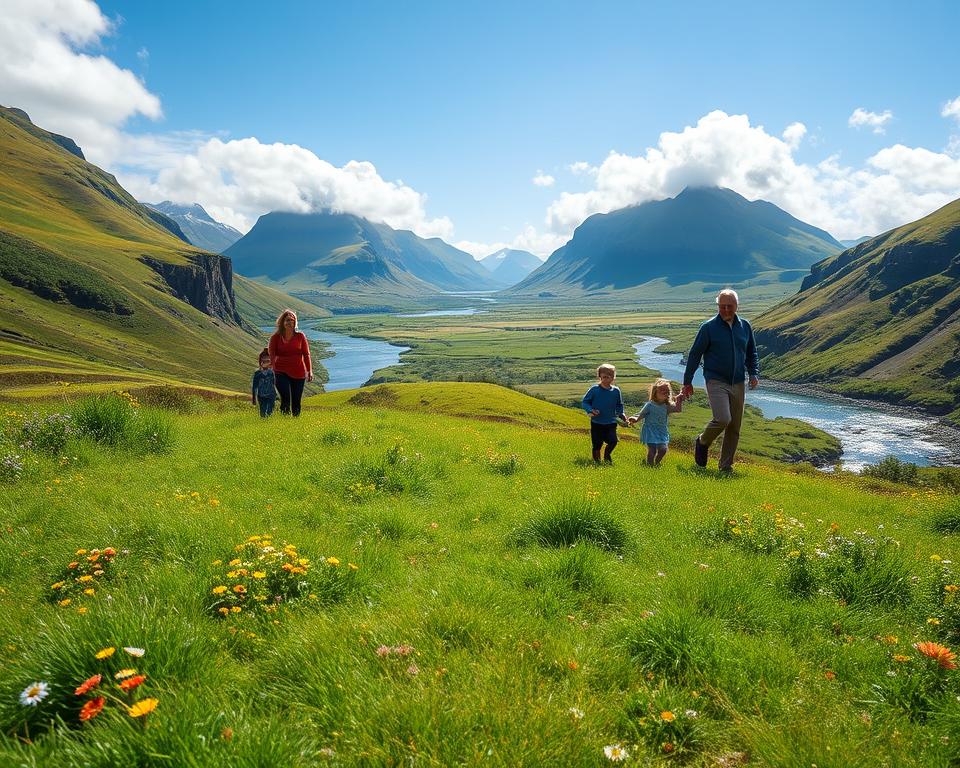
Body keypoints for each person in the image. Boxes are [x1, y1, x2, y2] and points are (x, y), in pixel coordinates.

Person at [681, 288, 759, 472]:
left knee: (734, 426)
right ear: (718, 305)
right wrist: (687, 381)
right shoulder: (708, 327)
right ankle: (702, 441)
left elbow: (751, 352)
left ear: (737, 306)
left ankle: (725, 467)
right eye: (722, 306)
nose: (725, 310)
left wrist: (753, 373)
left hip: (738, 381)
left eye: (729, 306)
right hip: (715, 380)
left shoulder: (745, 326)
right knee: (723, 419)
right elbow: (694, 354)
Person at [627, 378, 686, 466]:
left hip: (662, 430)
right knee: (652, 450)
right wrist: (635, 419)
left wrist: (679, 399)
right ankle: (650, 466)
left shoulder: (667, 406)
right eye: (662, 390)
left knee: (663, 450)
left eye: (667, 391)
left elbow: (678, 409)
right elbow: (642, 414)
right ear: (655, 392)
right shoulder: (650, 405)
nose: (666, 392)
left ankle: (657, 463)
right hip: (650, 430)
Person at [268, 309, 313, 417]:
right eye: (287, 320)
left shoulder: (300, 336)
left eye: (292, 320)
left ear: (295, 322)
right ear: (282, 322)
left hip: (299, 373)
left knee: (296, 400)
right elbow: (272, 355)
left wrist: (309, 371)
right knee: (286, 398)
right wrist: (272, 370)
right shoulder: (275, 337)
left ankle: (295, 423)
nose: (290, 322)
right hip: (280, 372)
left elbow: (306, 354)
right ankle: (285, 422)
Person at [582, 363, 628, 464]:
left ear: (614, 377)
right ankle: (597, 463)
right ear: (600, 377)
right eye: (604, 377)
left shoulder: (616, 391)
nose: (607, 379)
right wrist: (591, 410)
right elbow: (585, 402)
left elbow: (619, 405)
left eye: (610, 376)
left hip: (611, 422)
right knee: (597, 444)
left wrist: (622, 414)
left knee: (613, 441)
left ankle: (607, 456)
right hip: (596, 422)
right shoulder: (594, 390)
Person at [251, 348, 277, 417]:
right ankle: (263, 425)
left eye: (268, 361)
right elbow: (254, 387)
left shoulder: (271, 373)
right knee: (262, 414)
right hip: (262, 396)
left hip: (270, 396)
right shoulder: (257, 374)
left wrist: (275, 395)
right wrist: (254, 399)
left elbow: (273, 384)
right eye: (264, 361)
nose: (266, 363)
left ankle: (267, 426)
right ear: (261, 362)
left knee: (269, 413)